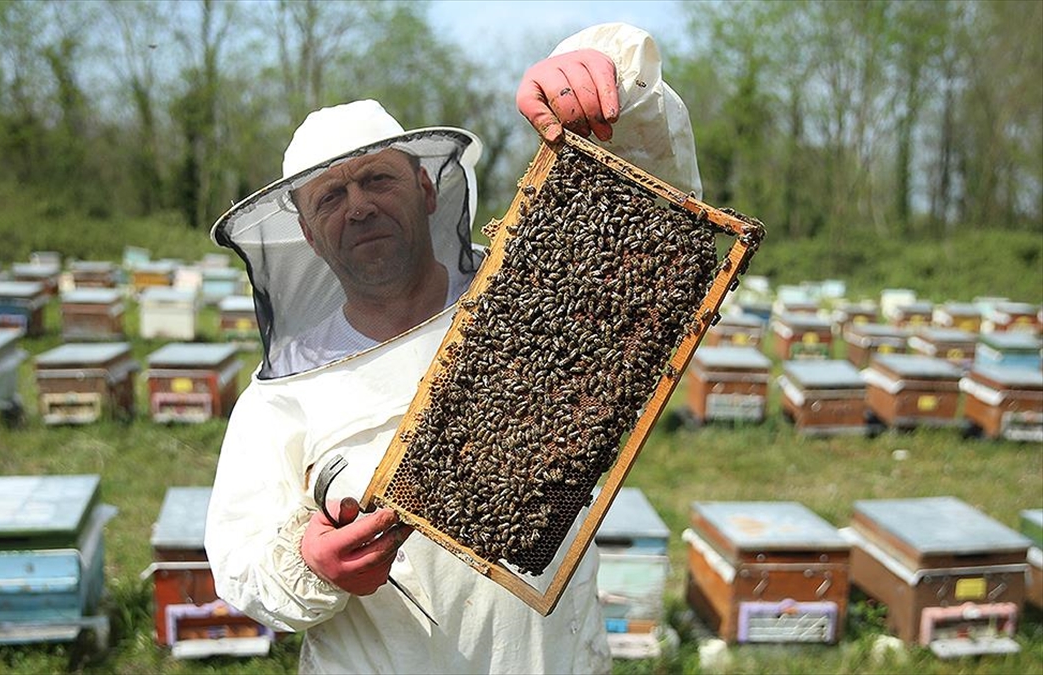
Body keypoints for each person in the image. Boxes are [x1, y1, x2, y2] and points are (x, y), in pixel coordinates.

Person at [205, 22, 702, 674]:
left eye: (377, 179)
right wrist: (309, 562)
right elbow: (240, 562)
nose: (358, 207)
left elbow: (649, 212)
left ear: (427, 188)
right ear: (307, 231)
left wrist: (604, 80)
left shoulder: (532, 304)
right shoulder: (281, 399)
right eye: (331, 195)